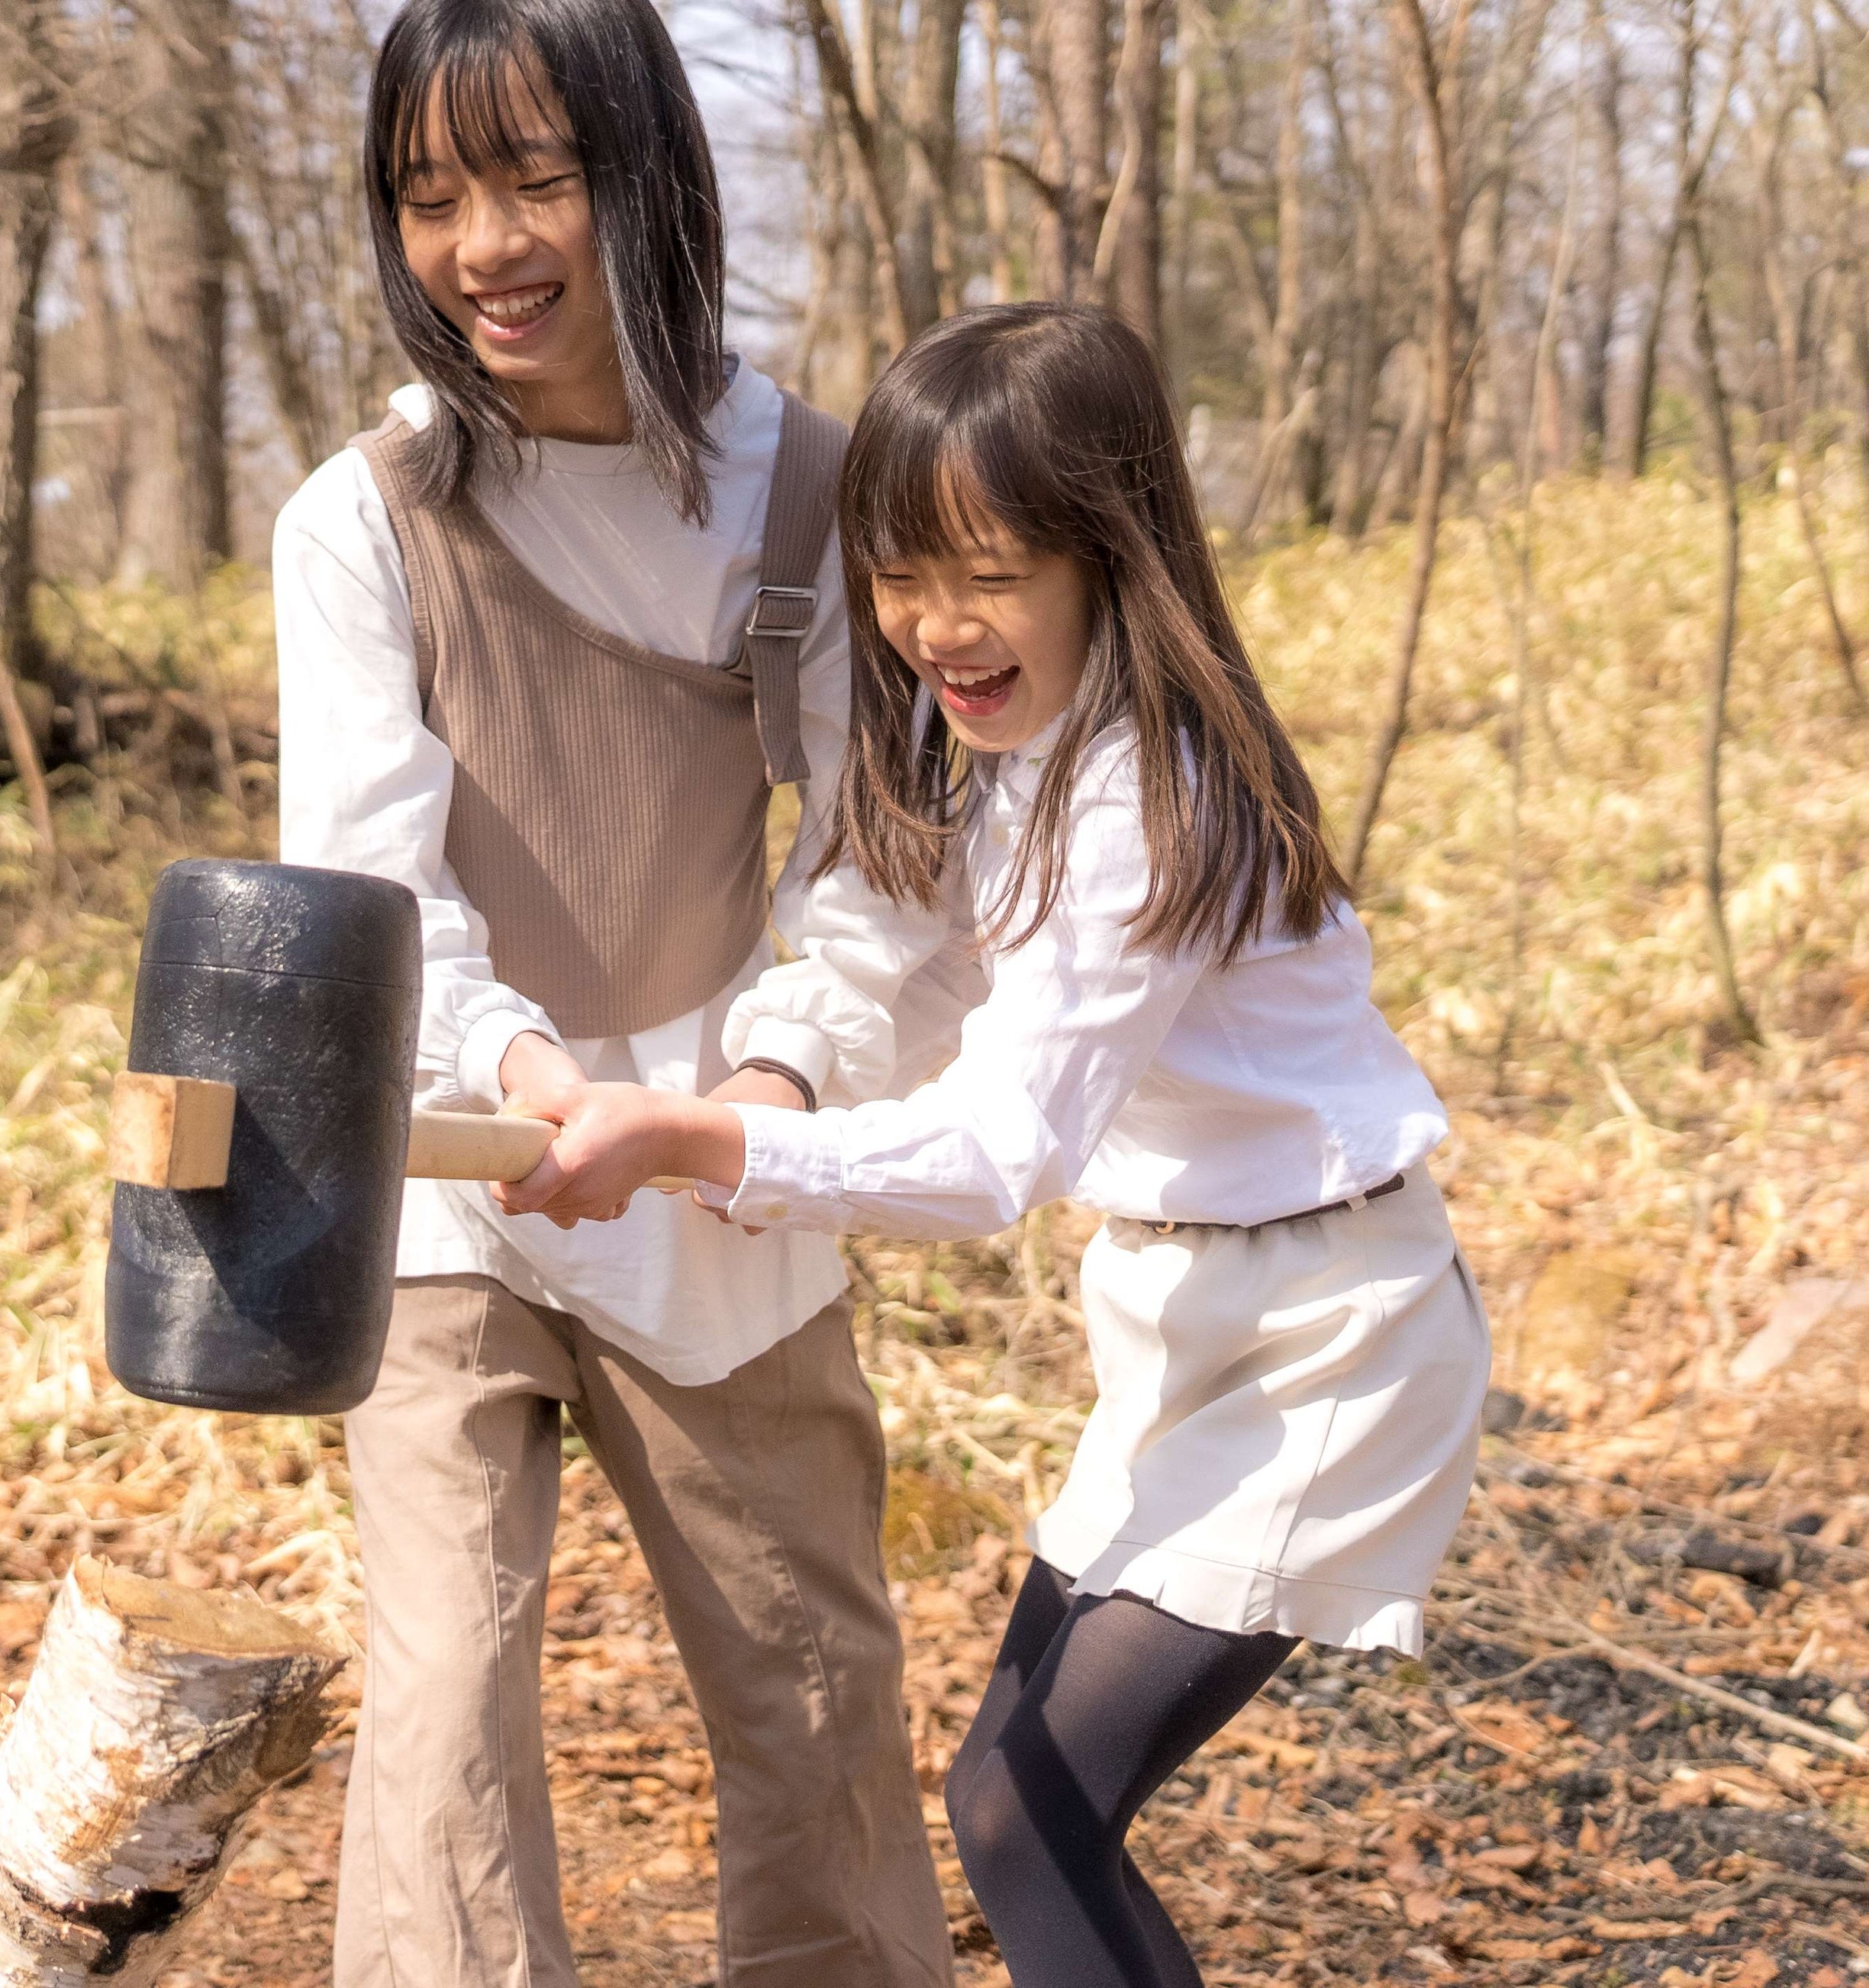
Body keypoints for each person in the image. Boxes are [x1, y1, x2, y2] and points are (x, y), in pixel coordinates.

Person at [499, 302, 1491, 1988]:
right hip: (1185, 1331)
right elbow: (936, 983)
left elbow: (996, 1150)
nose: (934, 626)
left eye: (988, 572)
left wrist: (697, 1146)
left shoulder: (1148, 792)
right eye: (898, 573)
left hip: (1334, 1343)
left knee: (1037, 1811)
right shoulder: (1030, 755)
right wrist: (755, 1093)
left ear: (1111, 551)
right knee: (1003, 1795)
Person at [270, 0, 956, 1983]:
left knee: (812, 1694)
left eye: (532, 175)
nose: (480, 239)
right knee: (442, 1710)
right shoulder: (364, 520)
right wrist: (515, 1069)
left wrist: (751, 1090)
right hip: (442, 1171)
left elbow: (878, 866)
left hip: (720, 1183)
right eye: (428, 192)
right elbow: (366, 879)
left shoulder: (810, 492)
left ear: (643, 174)